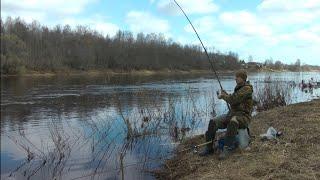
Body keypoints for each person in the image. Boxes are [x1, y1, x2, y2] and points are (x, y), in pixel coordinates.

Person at [199, 70, 254, 160]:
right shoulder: (239, 88)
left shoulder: (247, 89)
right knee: (213, 121)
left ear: (243, 78)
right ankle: (209, 148)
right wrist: (226, 95)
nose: (235, 78)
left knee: (234, 121)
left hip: (244, 117)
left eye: (237, 77)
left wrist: (223, 96)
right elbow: (234, 101)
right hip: (232, 114)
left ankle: (228, 149)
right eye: (236, 76)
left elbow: (233, 100)